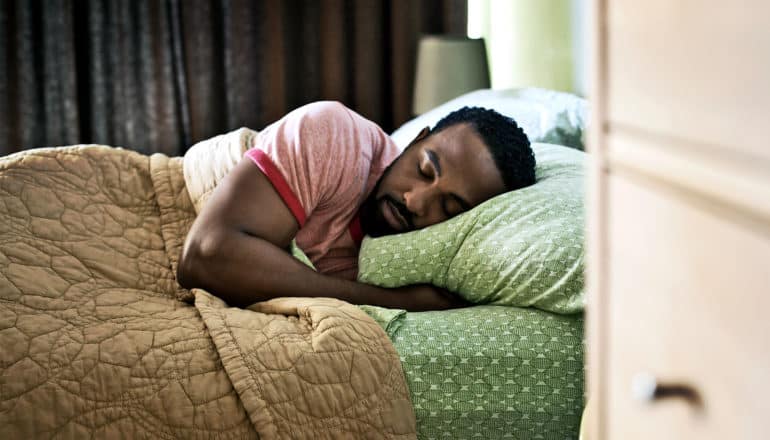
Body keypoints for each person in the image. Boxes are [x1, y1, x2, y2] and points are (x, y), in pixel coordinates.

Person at [177, 101, 535, 311]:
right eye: (424, 170)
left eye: (450, 209)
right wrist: (392, 301)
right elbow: (203, 255)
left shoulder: (439, 259)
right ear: (416, 140)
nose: (415, 201)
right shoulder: (333, 134)